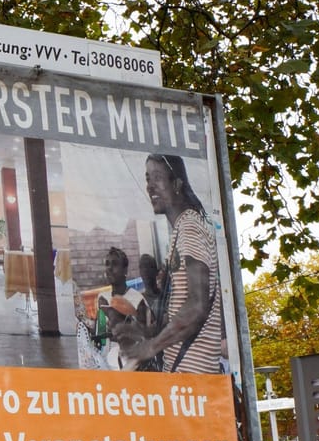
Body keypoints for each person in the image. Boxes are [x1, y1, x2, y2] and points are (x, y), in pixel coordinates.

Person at [117, 156, 226, 373]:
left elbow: (197, 306)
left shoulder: (190, 228)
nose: (150, 186)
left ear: (177, 184)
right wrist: (147, 333)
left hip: (195, 380)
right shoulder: (182, 230)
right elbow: (183, 312)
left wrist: (150, 347)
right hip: (184, 380)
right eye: (148, 179)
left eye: (157, 178)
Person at [93, 247, 146, 370]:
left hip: (129, 360)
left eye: (115, 264)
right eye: (107, 264)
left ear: (125, 270)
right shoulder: (102, 297)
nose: (109, 269)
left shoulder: (137, 299)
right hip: (107, 359)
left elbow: (144, 337)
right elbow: (99, 334)